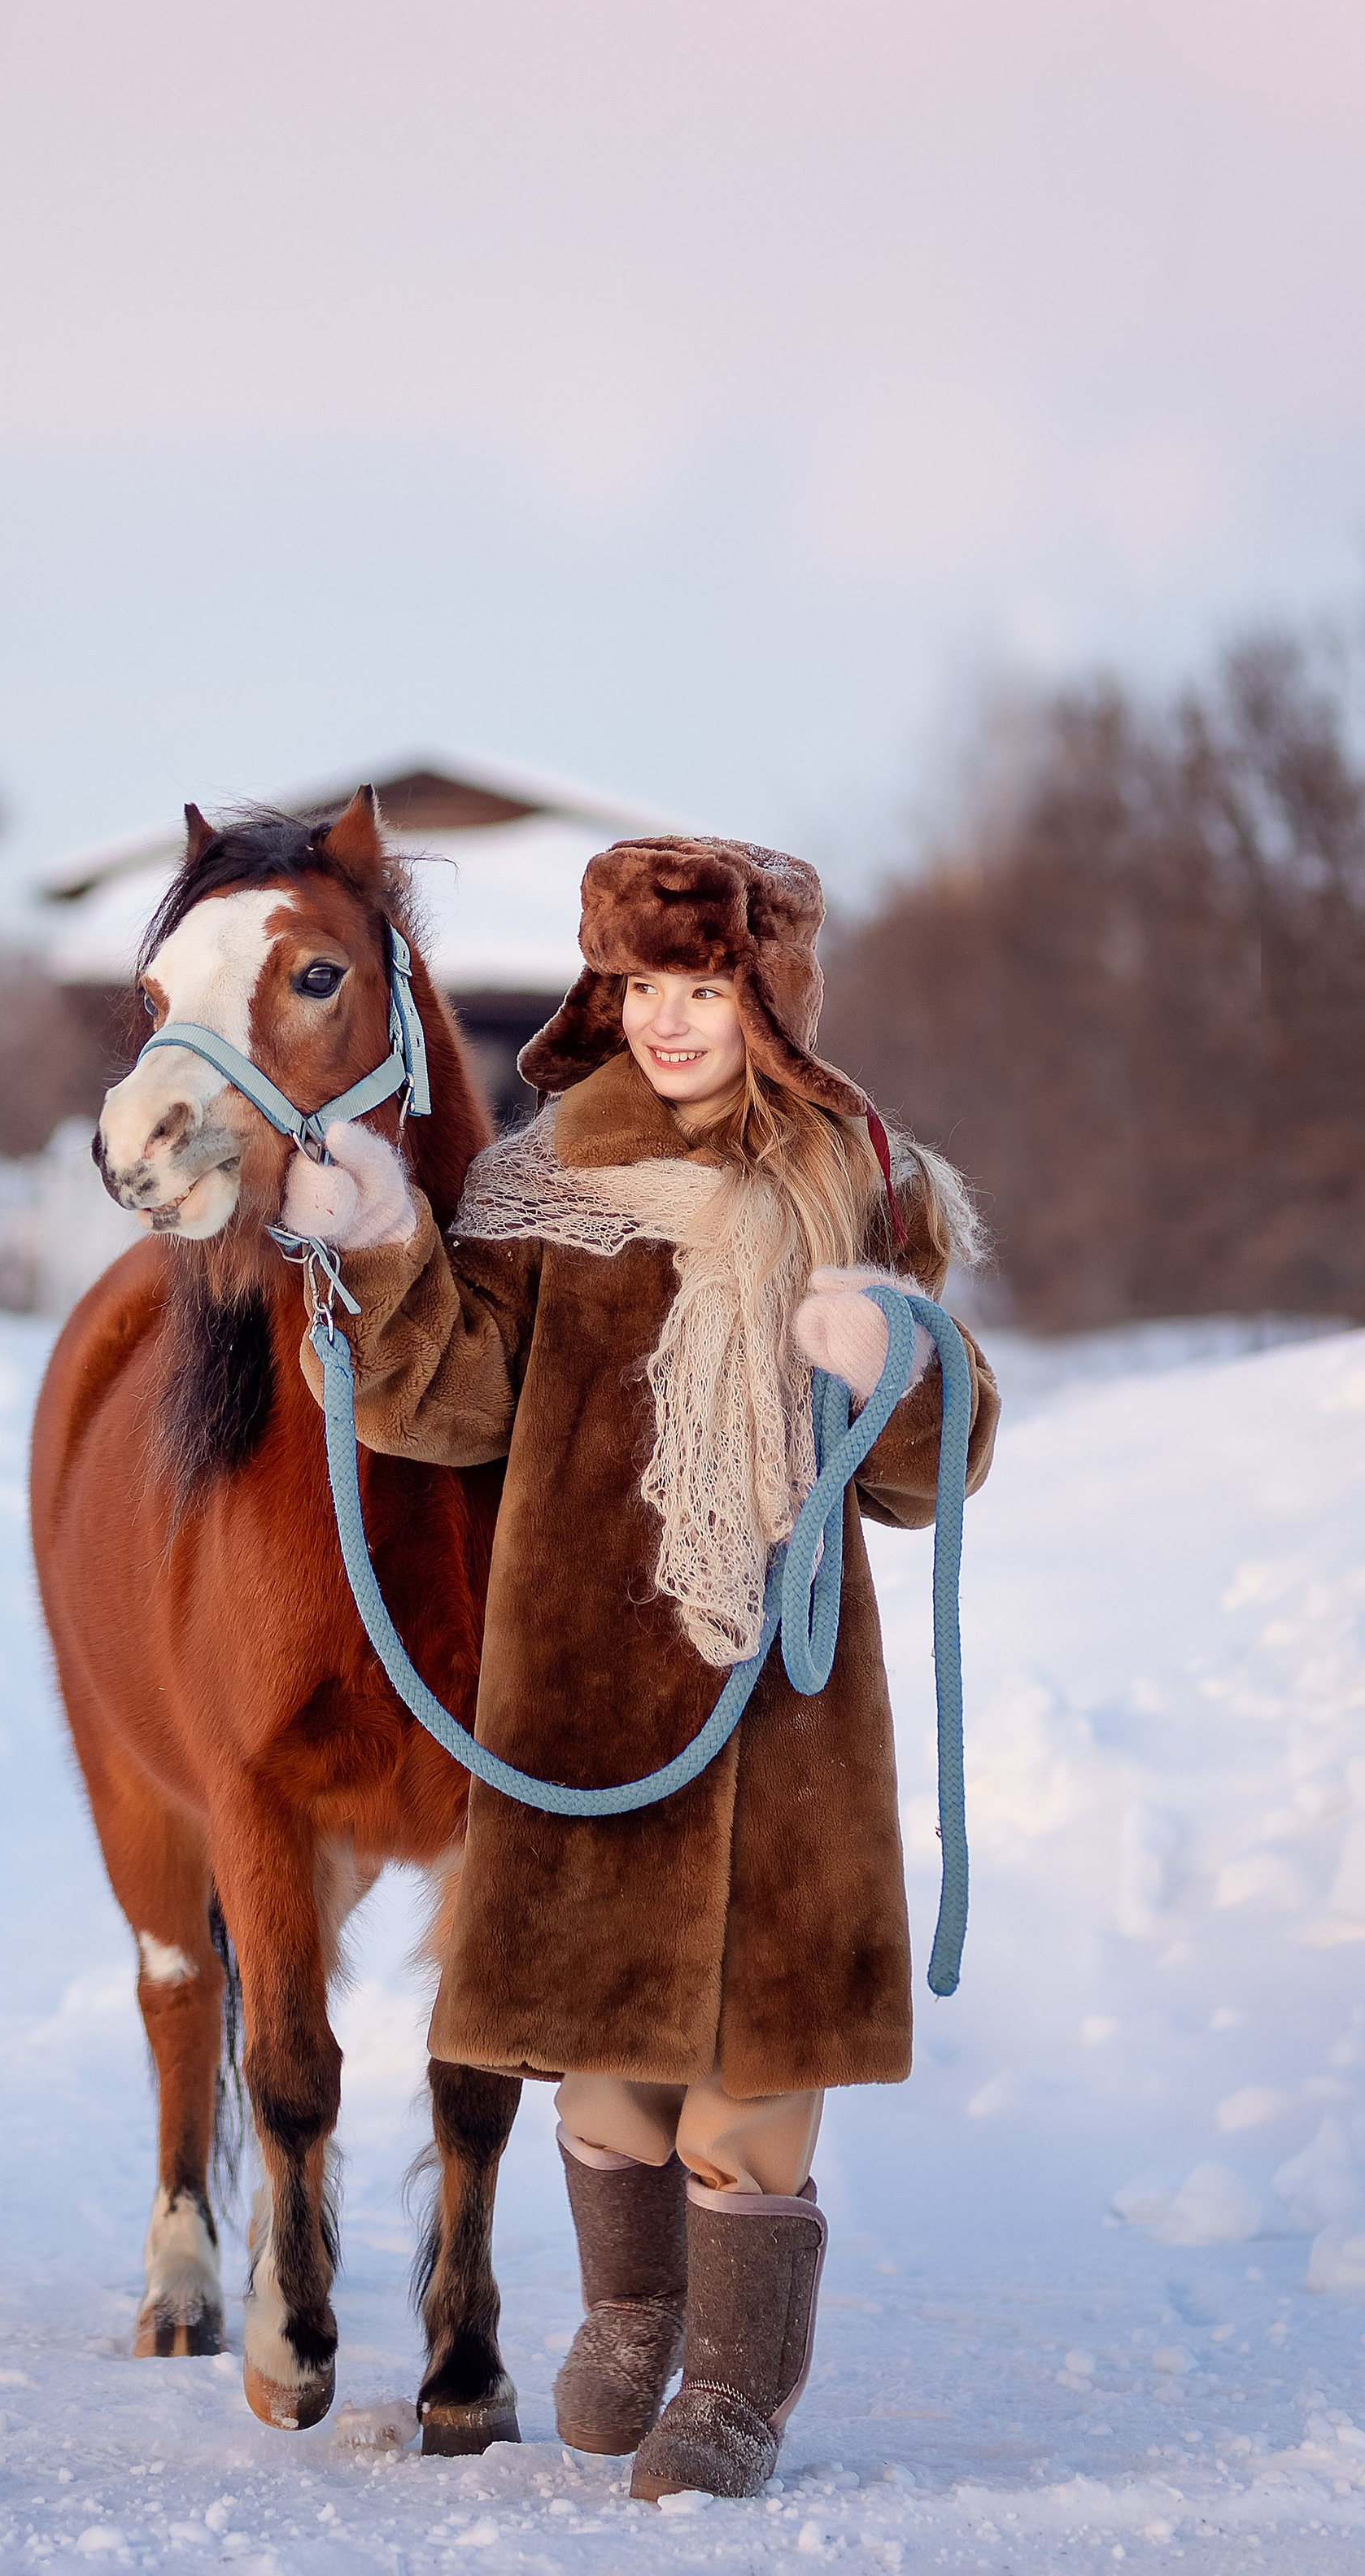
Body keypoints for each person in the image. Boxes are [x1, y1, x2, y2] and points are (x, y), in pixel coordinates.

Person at [277, 836, 1000, 2500]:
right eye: (641, 988)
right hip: (585, 1692)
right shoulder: (539, 1181)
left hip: (778, 1707)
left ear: (772, 997)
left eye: (704, 989)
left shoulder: (857, 1182)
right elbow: (453, 1401)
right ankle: (626, 2312)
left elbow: (931, 1468)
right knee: (602, 2057)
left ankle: (737, 2380)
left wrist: (896, 1358)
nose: (667, 1023)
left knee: (747, 2069)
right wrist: (382, 1252)